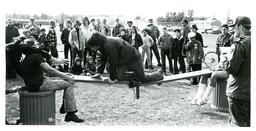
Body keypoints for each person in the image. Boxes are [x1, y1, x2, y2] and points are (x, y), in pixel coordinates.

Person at [19, 39, 84, 123]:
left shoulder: (25, 59)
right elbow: (50, 70)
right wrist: (66, 76)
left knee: (64, 79)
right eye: (37, 44)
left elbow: (45, 71)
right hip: (40, 85)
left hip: (33, 85)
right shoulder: (36, 56)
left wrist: (63, 72)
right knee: (69, 83)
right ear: (33, 47)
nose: (39, 45)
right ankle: (70, 113)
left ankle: (64, 107)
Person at [86, 32, 163, 83]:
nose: (92, 49)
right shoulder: (102, 46)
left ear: (97, 43)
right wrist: (98, 72)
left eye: (92, 46)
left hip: (134, 59)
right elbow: (101, 58)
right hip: (124, 60)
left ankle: (158, 74)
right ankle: (136, 75)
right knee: (111, 70)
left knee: (143, 79)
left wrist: (112, 78)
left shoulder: (110, 45)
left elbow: (113, 61)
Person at [225, 16, 251, 127]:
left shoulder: (242, 43)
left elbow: (232, 68)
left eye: (234, 27)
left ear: (240, 27)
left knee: (238, 124)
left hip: (238, 92)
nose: (233, 30)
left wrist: (224, 61)